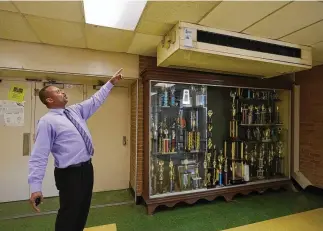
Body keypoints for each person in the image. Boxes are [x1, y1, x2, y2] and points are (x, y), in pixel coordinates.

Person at [28, 68, 123, 231]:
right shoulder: (47, 122)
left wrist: (110, 83)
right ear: (49, 100)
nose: (62, 92)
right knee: (69, 214)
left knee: (82, 210)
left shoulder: (75, 111)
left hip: (86, 169)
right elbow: (39, 155)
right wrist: (35, 187)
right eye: (58, 92)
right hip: (69, 174)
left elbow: (95, 100)